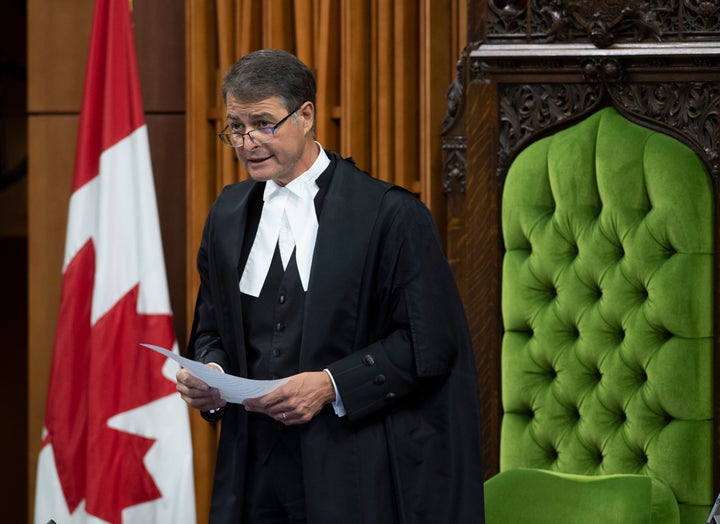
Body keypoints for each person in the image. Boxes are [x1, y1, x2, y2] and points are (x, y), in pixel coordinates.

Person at [176, 49, 484, 524]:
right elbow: (211, 326)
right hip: (249, 470)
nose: (247, 141)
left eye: (263, 123)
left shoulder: (389, 214)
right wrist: (211, 373)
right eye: (235, 127)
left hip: (350, 470)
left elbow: (428, 345)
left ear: (306, 115)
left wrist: (330, 384)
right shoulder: (227, 214)